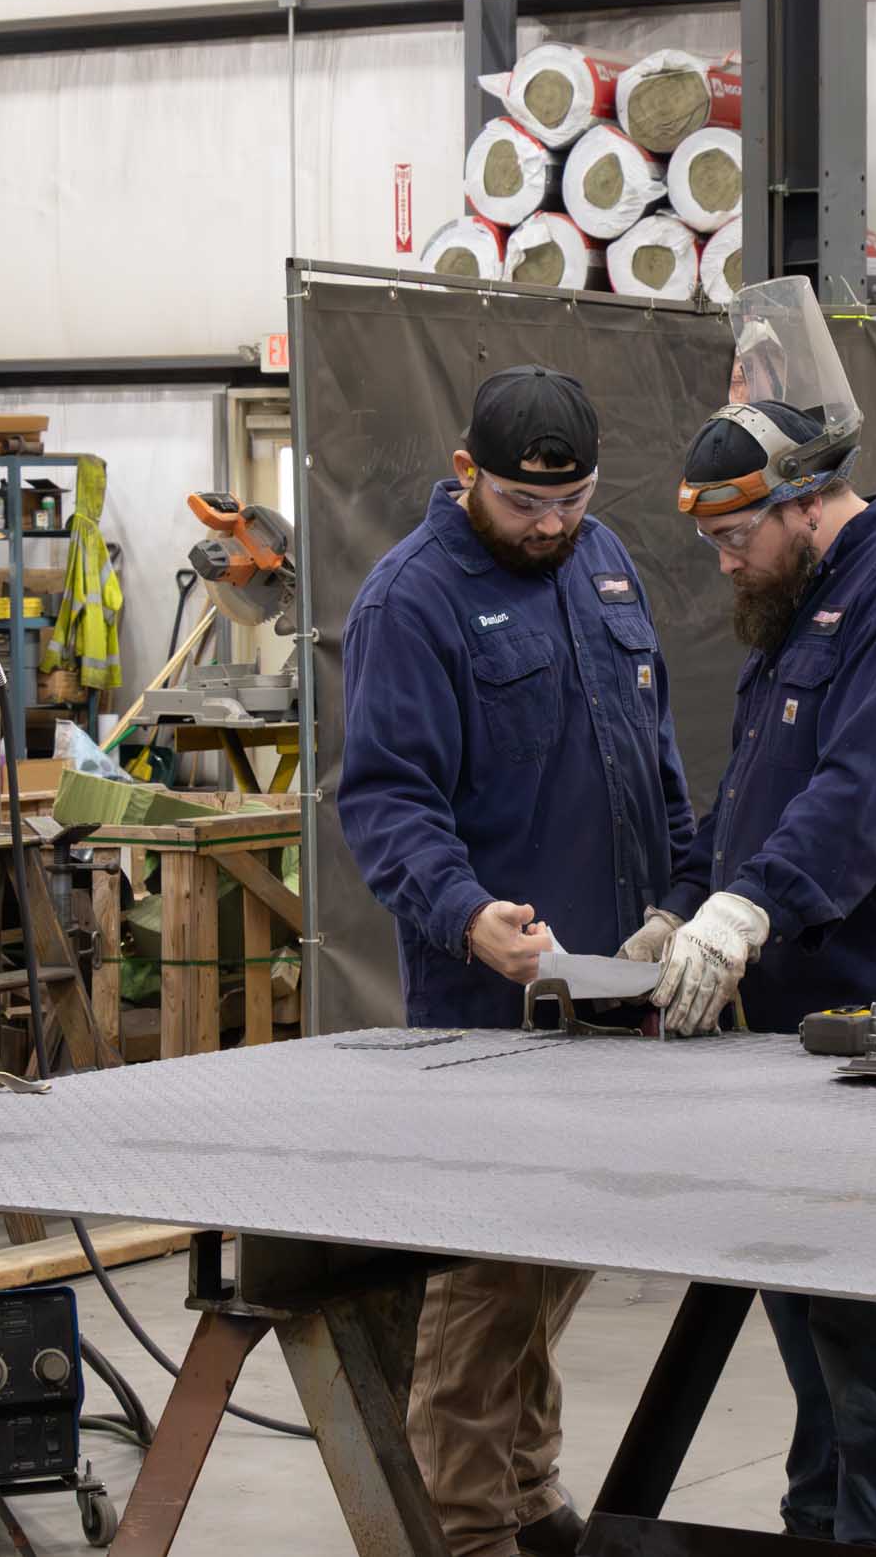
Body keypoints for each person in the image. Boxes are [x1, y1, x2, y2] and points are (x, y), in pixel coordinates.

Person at [339, 363, 702, 1557]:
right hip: (489, 1009)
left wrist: (686, 892)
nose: (548, 525)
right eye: (521, 504)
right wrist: (464, 911)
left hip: (611, 990)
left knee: (559, 1255)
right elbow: (386, 799)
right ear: (464, 475)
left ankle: (522, 1483)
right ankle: (457, 1522)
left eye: (571, 499)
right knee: (487, 1276)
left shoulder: (602, 562)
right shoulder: (415, 601)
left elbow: (650, 755)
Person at [653, 396, 876, 1555]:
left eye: (735, 533)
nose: (723, 559)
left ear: (806, 499)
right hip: (803, 1036)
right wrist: (690, 902)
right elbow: (767, 784)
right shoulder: (805, 597)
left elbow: (855, 796)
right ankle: (821, 1527)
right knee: (818, 1343)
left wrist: (749, 904)